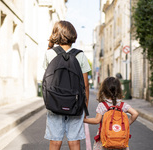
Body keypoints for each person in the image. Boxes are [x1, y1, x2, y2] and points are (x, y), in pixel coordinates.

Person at [43, 20, 91, 150]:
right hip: (75, 104)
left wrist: (50, 45)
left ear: (55, 34)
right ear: (73, 35)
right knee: (74, 141)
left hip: (54, 103)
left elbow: (47, 80)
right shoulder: (80, 55)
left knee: (55, 141)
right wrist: (84, 107)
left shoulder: (49, 53)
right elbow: (85, 85)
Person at [84, 77, 139, 150]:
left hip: (105, 139)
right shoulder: (122, 105)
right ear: (119, 90)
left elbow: (97, 120)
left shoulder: (102, 105)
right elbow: (135, 113)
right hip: (120, 139)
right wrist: (126, 124)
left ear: (103, 91)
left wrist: (84, 120)